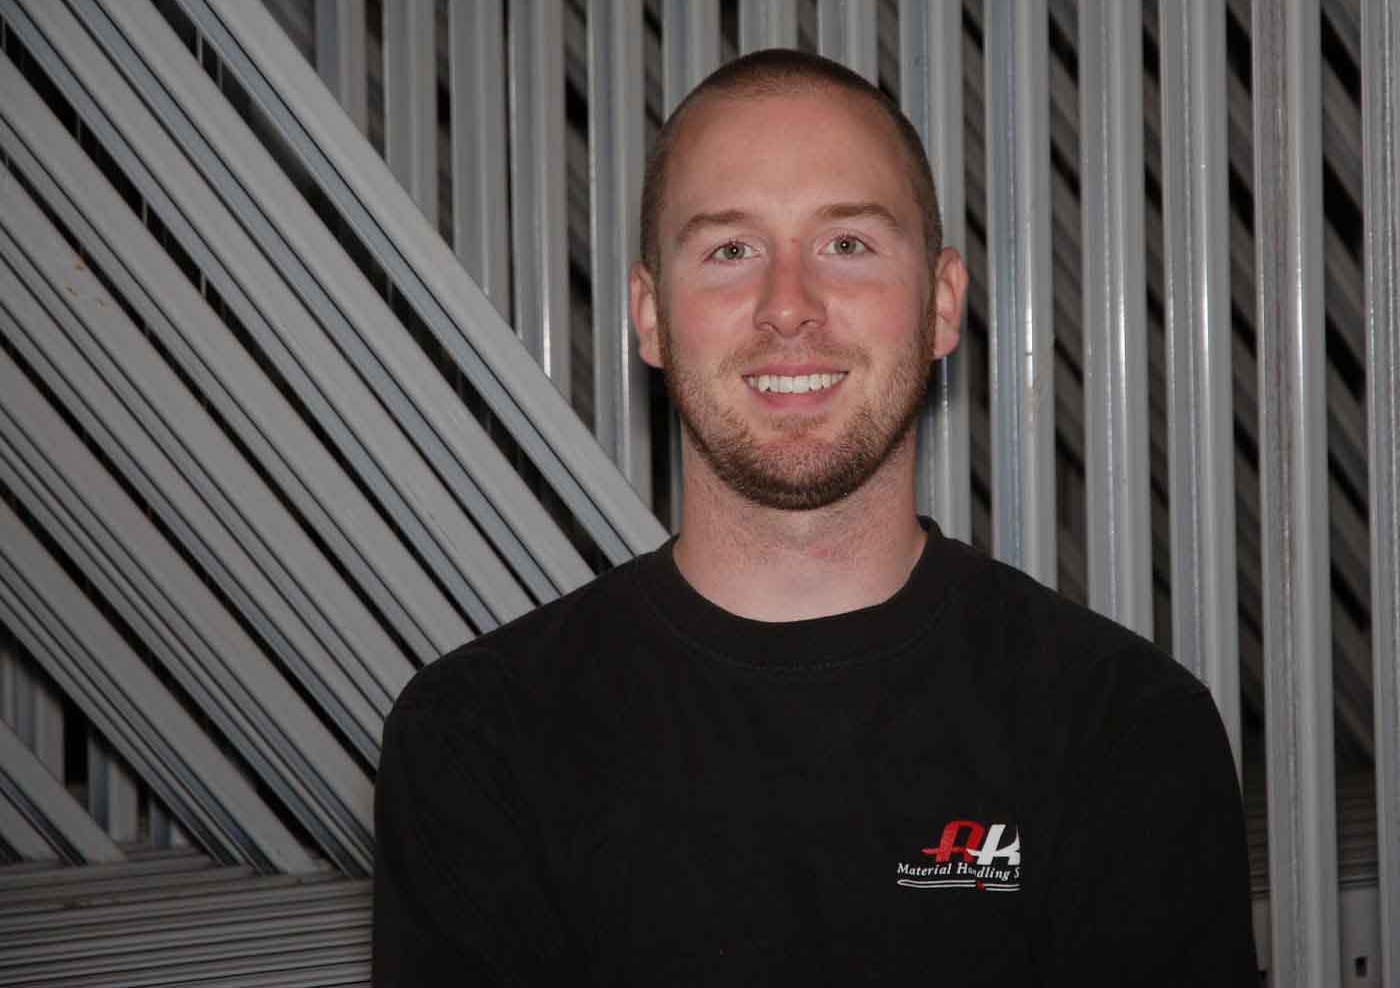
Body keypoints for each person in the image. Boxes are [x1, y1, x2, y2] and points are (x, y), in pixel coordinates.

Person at [372, 49, 1258, 985]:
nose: (787, 306)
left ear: (942, 304)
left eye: (846, 244)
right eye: (730, 250)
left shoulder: (1125, 734)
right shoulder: (478, 744)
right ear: (650, 318)